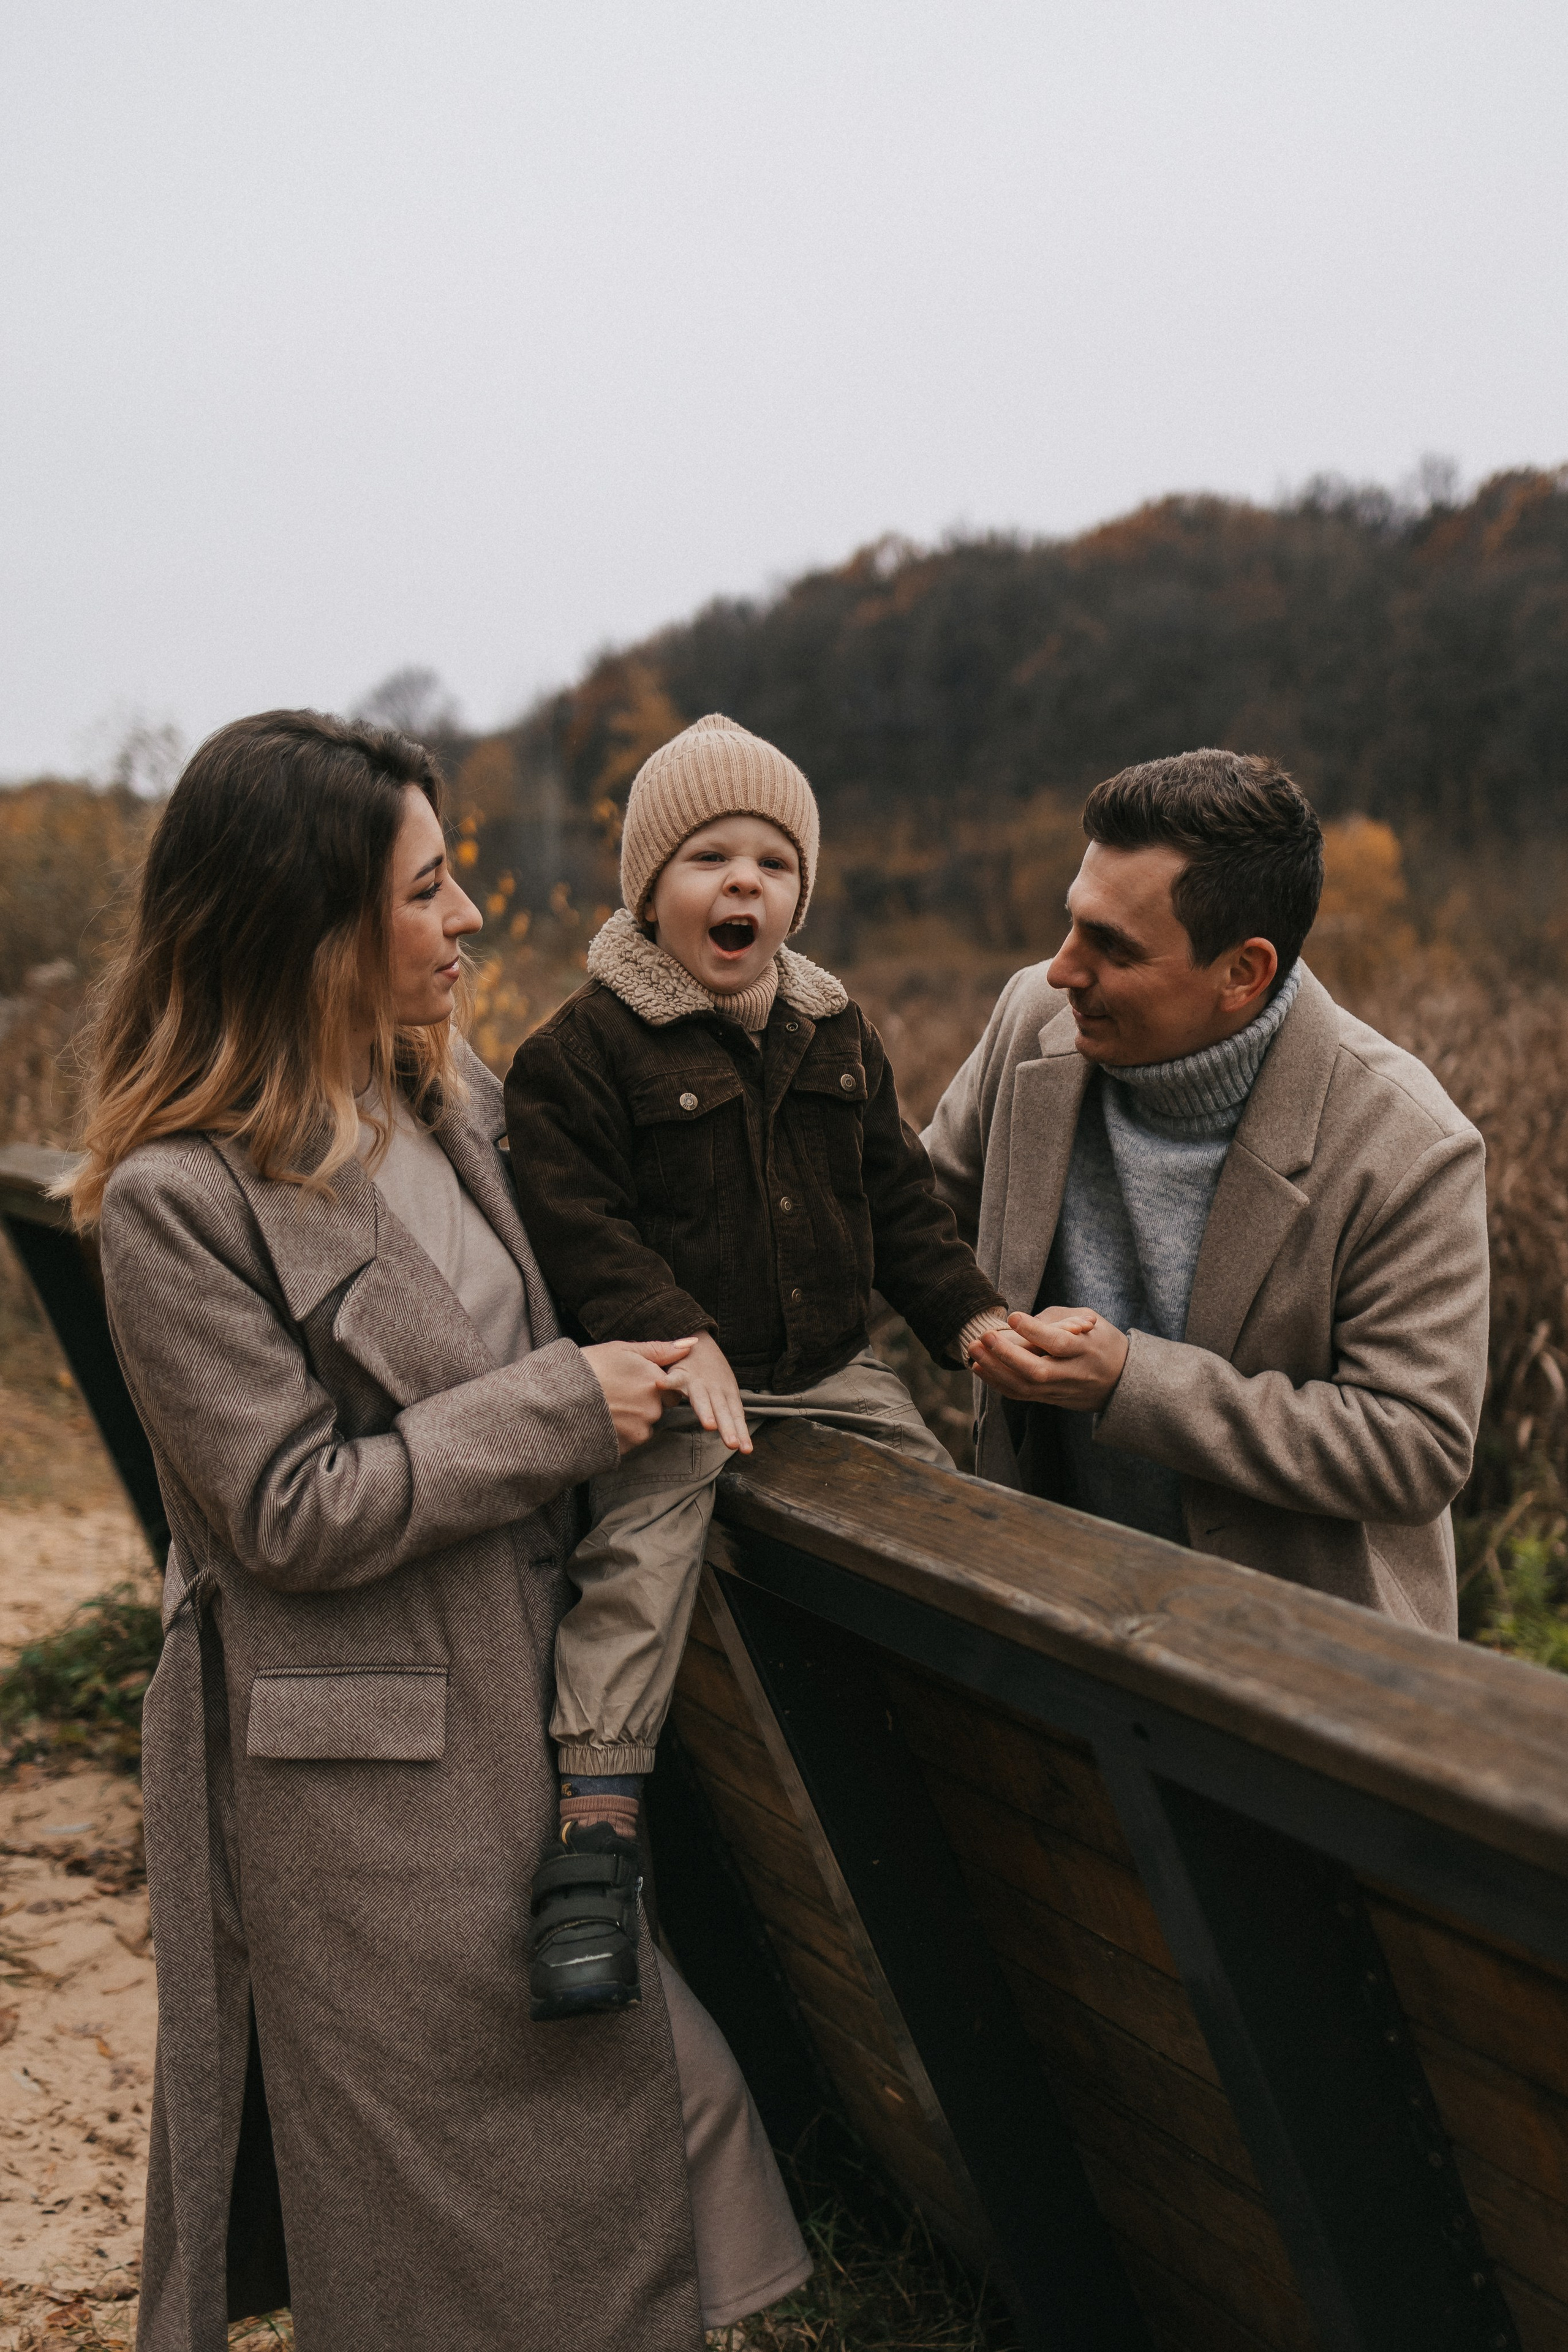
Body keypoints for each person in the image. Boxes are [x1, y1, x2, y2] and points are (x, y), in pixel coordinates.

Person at [72, 709, 810, 2352]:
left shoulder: (448, 1094)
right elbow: (285, 1511)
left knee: (646, 2124)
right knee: (447, 2212)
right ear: (306, 927)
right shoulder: (177, 1203)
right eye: (424, 889)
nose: (468, 915)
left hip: (528, 1720)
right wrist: (563, 1408)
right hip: (365, 1795)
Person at [505, 714, 1008, 2018]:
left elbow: (899, 1202)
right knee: (637, 1562)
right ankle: (594, 1843)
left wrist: (969, 1321)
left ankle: (975, 1755)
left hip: (830, 1370)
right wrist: (679, 1339)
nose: (744, 884)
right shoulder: (580, 1052)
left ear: (800, 890)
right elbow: (581, 1228)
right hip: (682, 1379)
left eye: (774, 863)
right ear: (648, 887)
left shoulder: (832, 1029)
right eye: (709, 859)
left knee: (941, 1512)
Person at [923, 749, 1489, 1635]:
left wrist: (1131, 1382)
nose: (1063, 969)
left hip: (1301, 1659)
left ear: (1243, 973)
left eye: (1112, 946)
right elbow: (908, 1220)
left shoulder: (1412, 1145)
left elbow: (1415, 1449)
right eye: (1072, 923)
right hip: (1052, 1613)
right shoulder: (1033, 1016)